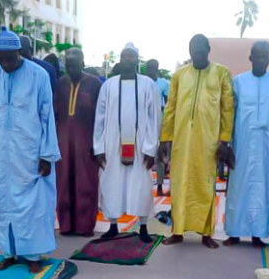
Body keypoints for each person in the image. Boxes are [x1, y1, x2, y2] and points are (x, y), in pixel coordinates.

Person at [0, 27, 61, 273]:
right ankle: (8, 252)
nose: (5, 63)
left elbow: (47, 116)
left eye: (10, 58)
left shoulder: (38, 75)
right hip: (2, 152)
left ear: (20, 52)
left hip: (30, 153)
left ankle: (34, 255)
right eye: (1, 58)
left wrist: (47, 155)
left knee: (34, 204)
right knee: (4, 201)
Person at [158, 34, 235, 249]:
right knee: (179, 183)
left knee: (205, 183)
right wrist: (165, 138)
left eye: (201, 51)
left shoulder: (221, 73)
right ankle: (177, 231)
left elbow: (227, 109)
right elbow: (171, 107)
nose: (197, 55)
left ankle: (206, 233)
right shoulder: (180, 75)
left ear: (209, 49)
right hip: (182, 139)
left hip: (208, 140)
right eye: (193, 51)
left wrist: (225, 140)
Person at [94, 44, 159, 242]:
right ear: (120, 61)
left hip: (141, 146)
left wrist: (151, 148)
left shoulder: (149, 85)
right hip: (112, 144)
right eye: (124, 57)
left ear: (137, 60)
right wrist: (99, 148)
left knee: (141, 185)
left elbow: (155, 118)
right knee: (111, 183)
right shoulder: (108, 85)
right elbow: (100, 118)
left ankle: (144, 226)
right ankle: (113, 225)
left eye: (131, 57)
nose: (128, 60)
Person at [224, 42, 269, 248]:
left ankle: (258, 234)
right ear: (250, 58)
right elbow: (231, 115)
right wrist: (228, 145)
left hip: (267, 144)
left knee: (263, 188)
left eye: (264, 57)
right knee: (237, 187)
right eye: (257, 56)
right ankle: (233, 232)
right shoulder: (239, 81)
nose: (260, 60)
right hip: (241, 142)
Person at [54, 48, 101, 237]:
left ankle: (85, 226)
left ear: (82, 63)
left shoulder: (94, 84)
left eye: (74, 65)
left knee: (86, 183)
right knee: (64, 183)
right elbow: (54, 114)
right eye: (68, 66)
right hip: (63, 143)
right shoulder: (61, 83)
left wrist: (97, 144)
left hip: (86, 143)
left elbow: (101, 116)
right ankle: (66, 225)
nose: (71, 69)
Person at [147, 59, 170, 196]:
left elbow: (168, 103)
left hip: (160, 122)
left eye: (152, 68)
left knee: (159, 155)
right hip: (145, 123)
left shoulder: (163, 84)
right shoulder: (142, 83)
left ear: (157, 68)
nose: (150, 71)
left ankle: (160, 186)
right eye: (148, 68)